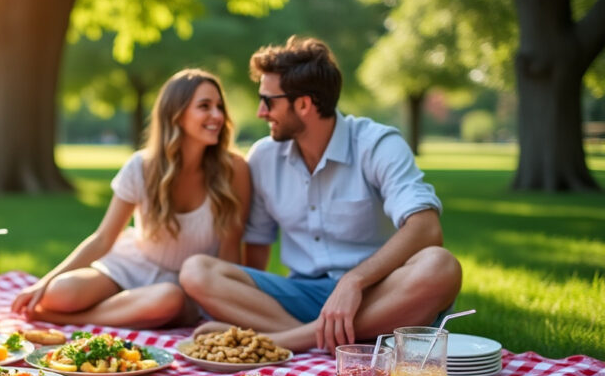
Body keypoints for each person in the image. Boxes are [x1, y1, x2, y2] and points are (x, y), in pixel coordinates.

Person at [180, 37, 462, 352]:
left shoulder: (377, 144)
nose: (261, 112)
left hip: (377, 293)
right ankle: (327, 338)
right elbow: (256, 252)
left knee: (441, 266)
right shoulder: (263, 156)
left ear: (303, 104)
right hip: (301, 294)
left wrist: (353, 281)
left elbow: (426, 228)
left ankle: (279, 341)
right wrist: (243, 304)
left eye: (268, 101)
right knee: (196, 271)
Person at [11, 68, 251, 329]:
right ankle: (119, 309)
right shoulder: (141, 166)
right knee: (60, 292)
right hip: (132, 265)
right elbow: (103, 239)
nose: (217, 115)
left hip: (184, 285)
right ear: (176, 114)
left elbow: (230, 252)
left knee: (166, 299)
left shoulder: (234, 170)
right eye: (205, 106)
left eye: (219, 107)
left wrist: (225, 305)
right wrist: (43, 281)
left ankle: (70, 320)